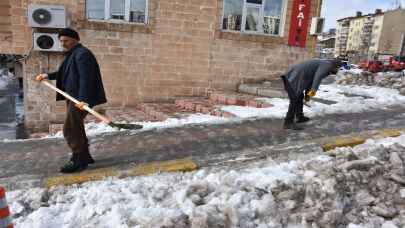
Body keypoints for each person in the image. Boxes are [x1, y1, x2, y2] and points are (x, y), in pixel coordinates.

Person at [36, 28, 107, 173]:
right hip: (74, 97)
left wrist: (83, 100)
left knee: (70, 129)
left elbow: (85, 78)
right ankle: (85, 156)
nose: (63, 43)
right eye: (61, 41)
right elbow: (63, 73)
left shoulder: (82, 54)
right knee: (76, 127)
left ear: (76, 39)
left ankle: (78, 160)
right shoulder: (73, 54)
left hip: (79, 99)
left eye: (66, 40)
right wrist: (47, 76)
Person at [281, 59, 342, 130]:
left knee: (299, 97)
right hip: (292, 78)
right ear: (335, 66)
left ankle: (300, 117)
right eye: (338, 68)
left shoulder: (325, 65)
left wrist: (307, 95)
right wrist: (311, 93)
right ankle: (288, 123)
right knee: (294, 100)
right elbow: (317, 79)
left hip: (296, 78)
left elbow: (311, 80)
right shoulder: (327, 65)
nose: (338, 71)